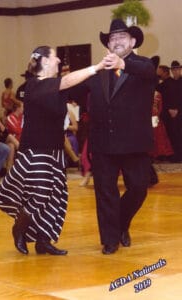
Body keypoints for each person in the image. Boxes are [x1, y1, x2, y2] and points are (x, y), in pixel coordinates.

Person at [0, 45, 106, 255]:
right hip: (36, 149)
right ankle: (20, 228)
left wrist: (107, 68)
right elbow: (66, 80)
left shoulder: (58, 88)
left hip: (54, 149)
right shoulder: (34, 85)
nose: (59, 62)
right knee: (41, 192)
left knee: (56, 195)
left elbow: (81, 84)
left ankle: (43, 240)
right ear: (44, 61)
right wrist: (95, 66)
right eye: (55, 58)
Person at [81, 19, 156, 254]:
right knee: (105, 192)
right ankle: (110, 240)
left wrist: (123, 63)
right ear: (108, 44)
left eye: (122, 37)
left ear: (133, 41)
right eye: (113, 38)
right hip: (103, 143)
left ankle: (121, 223)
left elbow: (147, 71)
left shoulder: (143, 66)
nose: (117, 41)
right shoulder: (98, 71)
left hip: (134, 143)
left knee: (138, 188)